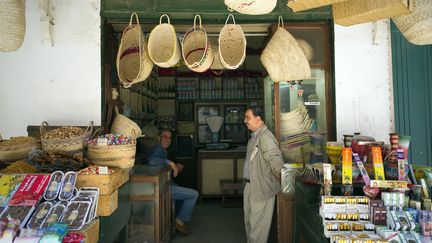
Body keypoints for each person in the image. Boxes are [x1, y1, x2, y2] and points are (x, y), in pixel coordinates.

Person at [243, 106, 284, 243]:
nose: (245, 121)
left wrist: (277, 182)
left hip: (261, 188)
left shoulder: (265, 137)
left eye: (248, 117)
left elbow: (277, 163)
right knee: (250, 225)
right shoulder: (255, 137)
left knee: (258, 230)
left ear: (258, 118)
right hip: (250, 187)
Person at [146, 129, 198, 235]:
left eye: (169, 137)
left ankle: (172, 221)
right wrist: (170, 162)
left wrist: (174, 166)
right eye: (165, 137)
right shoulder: (158, 149)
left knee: (180, 190)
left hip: (163, 185)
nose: (167, 140)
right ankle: (178, 221)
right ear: (158, 138)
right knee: (194, 194)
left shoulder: (162, 150)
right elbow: (152, 161)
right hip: (160, 188)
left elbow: (161, 165)